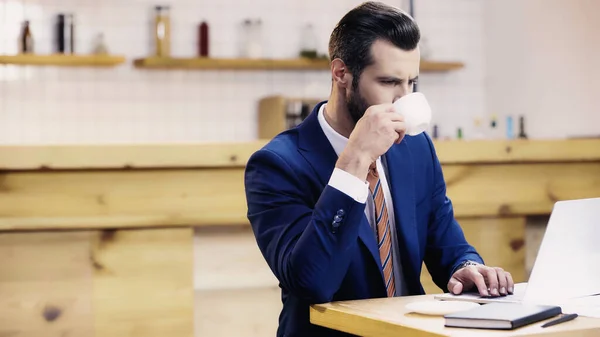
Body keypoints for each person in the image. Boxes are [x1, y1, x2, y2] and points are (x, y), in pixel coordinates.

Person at [244, 2, 514, 336]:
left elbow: (446, 241)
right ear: (341, 73)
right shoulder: (277, 164)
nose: (404, 100)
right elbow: (312, 282)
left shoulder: (415, 148)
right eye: (388, 82)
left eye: (411, 82)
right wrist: (354, 160)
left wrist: (467, 267)